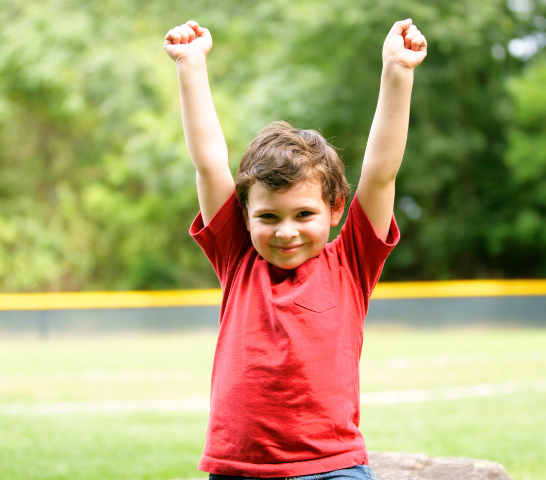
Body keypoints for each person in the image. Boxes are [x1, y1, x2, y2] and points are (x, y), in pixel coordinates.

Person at [164, 18, 427, 480]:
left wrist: (397, 71)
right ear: (245, 217)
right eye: (268, 217)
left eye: (303, 215)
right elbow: (208, 164)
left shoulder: (352, 261)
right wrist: (190, 65)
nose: (286, 231)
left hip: (333, 468)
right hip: (238, 469)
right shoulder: (237, 257)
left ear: (334, 209)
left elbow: (382, 170)